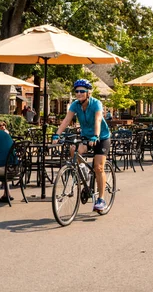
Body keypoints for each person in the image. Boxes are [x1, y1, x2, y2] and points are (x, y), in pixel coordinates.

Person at [53, 79, 111, 212]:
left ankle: (101, 199)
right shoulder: (75, 105)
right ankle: (83, 170)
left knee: (99, 167)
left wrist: (96, 135)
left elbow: (97, 119)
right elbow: (67, 120)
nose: (78, 93)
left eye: (82, 91)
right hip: (86, 136)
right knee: (74, 150)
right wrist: (57, 134)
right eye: (77, 91)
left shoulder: (96, 103)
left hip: (101, 137)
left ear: (88, 93)